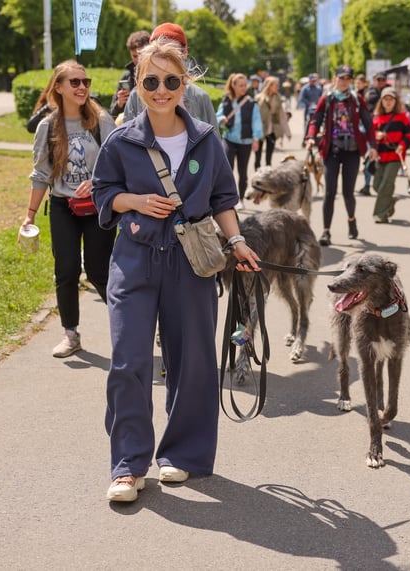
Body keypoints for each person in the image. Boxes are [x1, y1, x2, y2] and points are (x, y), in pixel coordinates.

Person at [91, 38, 261, 502]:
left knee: (193, 363)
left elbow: (224, 198)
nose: (161, 90)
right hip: (135, 261)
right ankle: (128, 465)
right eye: (151, 81)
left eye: (170, 80)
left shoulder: (206, 139)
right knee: (128, 361)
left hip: (192, 265)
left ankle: (181, 455)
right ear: (138, 84)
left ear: (184, 83)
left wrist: (239, 242)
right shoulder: (121, 140)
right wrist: (135, 200)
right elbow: (103, 194)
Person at [22, 60, 117, 358]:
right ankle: (71, 334)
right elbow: (41, 175)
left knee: (100, 272)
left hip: (99, 206)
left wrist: (98, 182)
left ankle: (130, 327)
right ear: (58, 88)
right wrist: (30, 215)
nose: (81, 87)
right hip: (64, 206)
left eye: (85, 82)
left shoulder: (101, 121)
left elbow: (119, 163)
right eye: (74, 82)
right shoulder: (48, 126)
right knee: (66, 271)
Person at [305, 64, 377, 245]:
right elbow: (316, 119)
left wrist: (373, 146)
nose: (344, 81)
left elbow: (368, 124)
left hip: (352, 151)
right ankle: (326, 231)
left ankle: (351, 220)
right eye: (341, 78)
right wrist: (311, 137)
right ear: (335, 78)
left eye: (347, 78)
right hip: (332, 150)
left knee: (348, 193)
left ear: (351, 80)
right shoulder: (327, 99)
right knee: (329, 193)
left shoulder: (357, 99)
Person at [122, 23, 219, 132]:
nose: (165, 54)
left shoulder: (201, 97)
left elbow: (213, 144)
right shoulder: (136, 95)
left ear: (185, 53)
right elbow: (126, 140)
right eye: (159, 49)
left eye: (172, 50)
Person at [216, 73, 262, 200]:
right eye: (240, 85)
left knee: (243, 172)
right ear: (233, 86)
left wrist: (256, 139)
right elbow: (217, 116)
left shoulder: (251, 103)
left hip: (245, 141)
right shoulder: (226, 100)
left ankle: (240, 199)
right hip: (229, 139)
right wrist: (222, 118)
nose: (243, 88)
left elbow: (256, 122)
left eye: (244, 85)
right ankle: (228, 198)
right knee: (227, 170)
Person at [371, 87, 410, 224]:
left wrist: (402, 145)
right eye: (385, 99)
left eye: (391, 99)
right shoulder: (376, 118)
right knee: (377, 185)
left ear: (396, 101)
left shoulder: (402, 118)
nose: (388, 102)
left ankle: (380, 215)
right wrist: (376, 136)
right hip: (380, 156)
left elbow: (409, 136)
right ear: (381, 101)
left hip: (395, 156)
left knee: (386, 184)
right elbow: (371, 137)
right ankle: (390, 201)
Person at [110, 30, 150, 119]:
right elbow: (112, 114)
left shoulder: (159, 75)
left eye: (142, 55)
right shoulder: (126, 77)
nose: (139, 60)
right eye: (135, 56)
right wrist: (120, 103)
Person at [255, 75, 289, 169]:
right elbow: (254, 116)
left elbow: (282, 116)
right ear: (269, 86)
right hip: (260, 129)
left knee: (269, 157)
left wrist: (287, 133)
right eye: (276, 85)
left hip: (273, 129)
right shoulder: (259, 98)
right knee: (258, 156)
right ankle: (257, 175)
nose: (277, 87)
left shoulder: (278, 98)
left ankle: (267, 176)